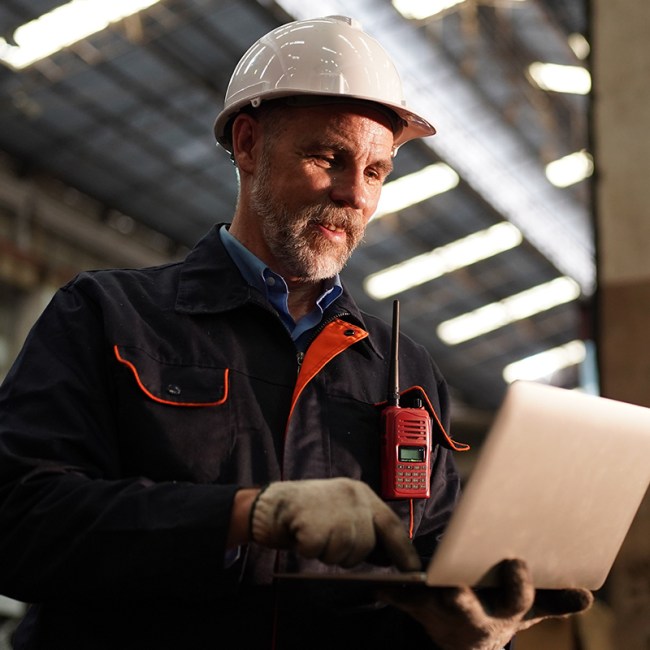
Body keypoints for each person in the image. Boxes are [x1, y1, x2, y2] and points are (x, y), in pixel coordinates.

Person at [0, 15, 591, 650]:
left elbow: (424, 569)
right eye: (328, 157)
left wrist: (469, 629)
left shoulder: (406, 373)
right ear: (249, 145)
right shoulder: (110, 316)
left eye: (376, 171)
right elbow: (19, 518)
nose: (354, 195)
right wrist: (242, 515)